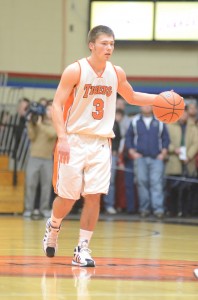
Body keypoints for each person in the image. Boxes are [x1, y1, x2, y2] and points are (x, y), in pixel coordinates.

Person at [42, 25, 166, 267]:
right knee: (67, 199)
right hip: (74, 138)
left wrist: (159, 99)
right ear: (92, 45)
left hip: (101, 141)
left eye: (112, 44)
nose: (109, 48)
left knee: (94, 196)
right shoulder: (75, 70)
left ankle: (82, 248)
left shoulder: (116, 72)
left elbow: (131, 96)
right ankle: (54, 225)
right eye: (104, 43)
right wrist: (63, 138)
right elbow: (56, 105)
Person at [125, 105, 170, 218]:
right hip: (140, 158)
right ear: (140, 107)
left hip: (156, 158)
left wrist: (163, 153)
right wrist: (132, 152)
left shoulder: (159, 120)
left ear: (152, 107)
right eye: (144, 105)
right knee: (142, 183)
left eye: (149, 105)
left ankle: (158, 209)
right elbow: (128, 137)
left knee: (157, 183)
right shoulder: (135, 121)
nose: (146, 107)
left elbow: (166, 138)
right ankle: (144, 209)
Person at [23, 101, 57, 218]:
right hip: (34, 157)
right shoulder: (37, 122)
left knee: (46, 185)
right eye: (47, 109)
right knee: (30, 184)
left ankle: (44, 208)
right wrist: (30, 123)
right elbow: (32, 137)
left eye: (51, 109)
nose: (49, 112)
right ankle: (28, 208)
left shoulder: (55, 124)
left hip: (47, 159)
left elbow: (52, 134)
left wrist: (39, 125)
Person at [165, 108, 198, 217]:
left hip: (188, 162)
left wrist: (189, 156)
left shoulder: (193, 127)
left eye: (185, 113)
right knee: (173, 188)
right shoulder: (170, 126)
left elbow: (196, 143)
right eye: (181, 113)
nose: (183, 115)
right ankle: (172, 210)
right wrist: (174, 149)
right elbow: (165, 141)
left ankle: (185, 211)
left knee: (188, 188)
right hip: (174, 160)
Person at [103, 108, 123, 214]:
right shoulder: (96, 121)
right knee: (90, 180)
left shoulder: (115, 123)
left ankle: (109, 205)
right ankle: (89, 205)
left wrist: (115, 150)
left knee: (110, 181)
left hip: (110, 154)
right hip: (96, 152)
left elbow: (118, 138)